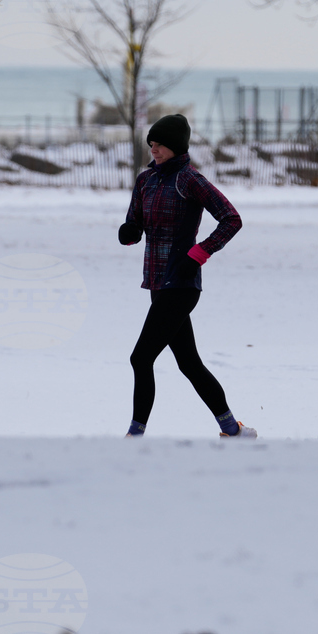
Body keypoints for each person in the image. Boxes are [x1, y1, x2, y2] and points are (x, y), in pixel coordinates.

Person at [118, 114, 256, 439]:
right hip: (156, 281)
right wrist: (129, 232)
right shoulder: (145, 180)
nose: (154, 150)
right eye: (151, 144)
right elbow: (135, 223)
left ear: (176, 146)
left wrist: (199, 254)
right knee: (189, 364)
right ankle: (232, 429)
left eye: (160, 144)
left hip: (181, 284)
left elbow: (231, 219)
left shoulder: (189, 179)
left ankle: (135, 435)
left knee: (140, 358)